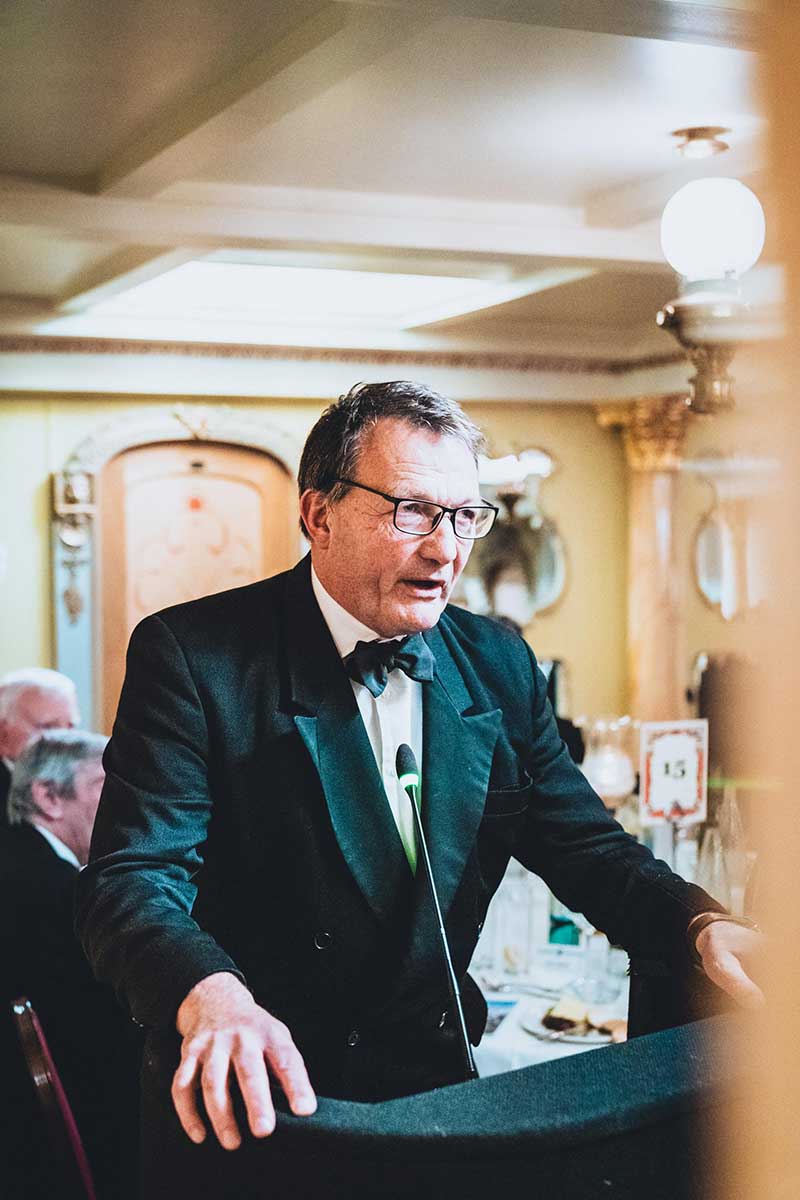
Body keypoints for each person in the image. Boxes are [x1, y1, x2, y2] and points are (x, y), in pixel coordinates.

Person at [76, 381, 763, 1165]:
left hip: (438, 1100)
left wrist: (699, 924)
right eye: (413, 512)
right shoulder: (193, 657)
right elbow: (130, 881)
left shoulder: (498, 661)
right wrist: (210, 994)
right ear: (318, 515)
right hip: (262, 1099)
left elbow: (591, 851)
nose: (446, 550)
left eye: (465, 516)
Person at [1, 730, 140, 1199]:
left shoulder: (24, 865)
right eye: (107, 786)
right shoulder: (58, 893)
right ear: (48, 796)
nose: (127, 807)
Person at [0, 667, 79, 827]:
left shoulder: (85, 785)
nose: (66, 740)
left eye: (70, 727)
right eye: (49, 728)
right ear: (3, 734)